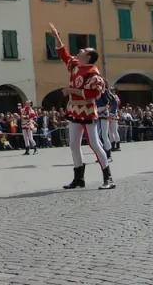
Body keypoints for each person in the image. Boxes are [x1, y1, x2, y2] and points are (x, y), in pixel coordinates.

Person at [48, 23, 115, 190]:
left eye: (84, 51)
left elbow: (95, 93)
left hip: (86, 110)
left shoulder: (93, 73)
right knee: (73, 144)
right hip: (74, 110)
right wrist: (57, 37)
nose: (80, 51)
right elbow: (63, 54)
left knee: (94, 143)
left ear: (89, 57)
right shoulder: (77, 65)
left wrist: (71, 90)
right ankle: (79, 178)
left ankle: (108, 177)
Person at [95, 87, 112, 161]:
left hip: (104, 114)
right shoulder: (93, 93)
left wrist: (107, 109)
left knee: (104, 135)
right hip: (96, 115)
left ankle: (108, 155)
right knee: (96, 136)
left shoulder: (104, 92)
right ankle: (102, 153)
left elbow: (110, 102)